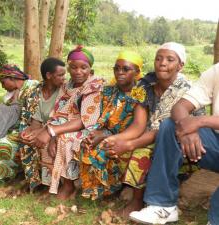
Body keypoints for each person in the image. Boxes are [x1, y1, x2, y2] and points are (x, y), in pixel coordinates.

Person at [103, 42, 205, 218]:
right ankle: (117, 190)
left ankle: (136, 202)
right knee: (114, 146)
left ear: (180, 66)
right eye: (159, 58)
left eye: (170, 59)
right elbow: (139, 124)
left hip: (181, 143)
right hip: (151, 136)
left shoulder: (184, 89)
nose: (162, 63)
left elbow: (162, 130)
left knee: (139, 153)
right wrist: (118, 139)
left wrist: (130, 144)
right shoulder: (144, 85)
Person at [129, 65, 219, 224]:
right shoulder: (216, 71)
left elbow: (199, 120)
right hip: (214, 143)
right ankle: (162, 206)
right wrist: (188, 130)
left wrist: (199, 121)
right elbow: (180, 106)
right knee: (170, 126)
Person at [33, 46, 104, 200]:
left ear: (90, 68)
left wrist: (53, 132)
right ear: (69, 67)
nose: (78, 71)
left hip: (89, 127)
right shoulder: (67, 86)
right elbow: (58, 111)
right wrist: (51, 134)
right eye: (73, 67)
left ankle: (69, 185)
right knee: (43, 139)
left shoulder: (94, 87)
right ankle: (51, 183)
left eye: (83, 67)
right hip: (63, 125)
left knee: (65, 140)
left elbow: (86, 120)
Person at [79, 50, 147, 205]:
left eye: (125, 69)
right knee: (87, 143)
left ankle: (115, 188)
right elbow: (100, 118)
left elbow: (138, 127)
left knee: (106, 149)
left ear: (137, 72)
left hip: (131, 137)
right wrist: (96, 133)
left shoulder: (140, 94)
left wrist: (105, 136)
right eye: (116, 68)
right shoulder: (109, 90)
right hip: (108, 132)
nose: (119, 72)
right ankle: (93, 188)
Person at [17, 57, 66, 191]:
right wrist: (29, 133)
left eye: (64, 75)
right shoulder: (35, 92)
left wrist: (41, 132)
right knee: (27, 140)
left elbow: (63, 119)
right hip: (43, 128)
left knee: (44, 142)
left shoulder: (64, 92)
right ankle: (35, 182)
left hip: (59, 128)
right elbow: (35, 122)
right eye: (60, 75)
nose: (63, 78)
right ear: (49, 75)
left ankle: (53, 184)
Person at [0, 64, 41, 186]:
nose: (2, 86)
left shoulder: (32, 86)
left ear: (12, 78)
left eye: (3, 82)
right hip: (18, 128)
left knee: (5, 143)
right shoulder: (10, 95)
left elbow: (34, 114)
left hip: (36, 127)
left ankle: (17, 177)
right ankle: (11, 175)